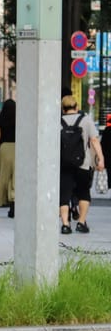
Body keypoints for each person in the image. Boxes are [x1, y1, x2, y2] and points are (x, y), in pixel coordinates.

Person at [59, 96, 105, 234]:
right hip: (83, 164)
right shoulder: (86, 120)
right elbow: (94, 140)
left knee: (64, 194)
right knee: (84, 192)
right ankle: (81, 222)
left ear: (63, 108)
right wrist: (100, 158)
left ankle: (66, 225)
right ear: (76, 107)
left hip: (64, 163)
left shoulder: (57, 121)